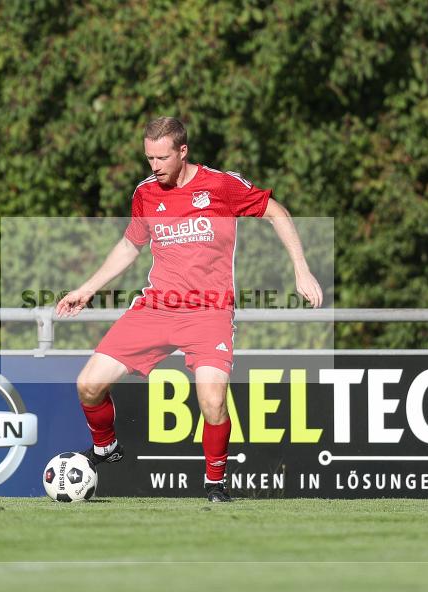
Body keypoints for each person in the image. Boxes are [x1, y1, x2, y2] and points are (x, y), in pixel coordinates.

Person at [56, 117, 322, 502]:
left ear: (183, 152)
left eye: (162, 157)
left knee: (213, 402)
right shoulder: (146, 193)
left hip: (209, 313)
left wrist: (301, 268)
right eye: (149, 158)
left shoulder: (219, 185)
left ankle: (215, 483)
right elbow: (131, 244)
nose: (154, 166)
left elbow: (276, 212)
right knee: (88, 385)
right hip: (157, 307)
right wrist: (87, 289)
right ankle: (105, 448)